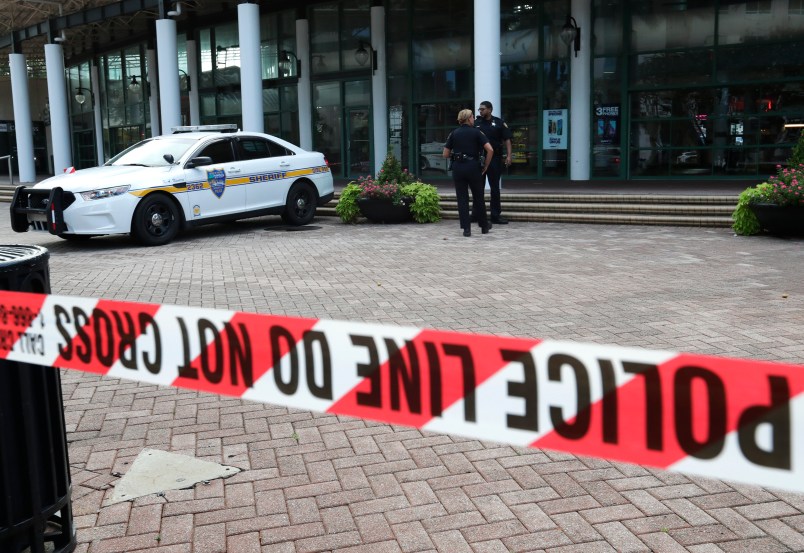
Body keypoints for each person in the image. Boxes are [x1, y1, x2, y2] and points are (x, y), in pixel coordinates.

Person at [443, 109, 494, 237]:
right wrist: (486, 165)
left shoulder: (454, 133)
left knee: (462, 198)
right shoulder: (477, 132)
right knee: (478, 197)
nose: (474, 119)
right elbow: (490, 150)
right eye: (472, 117)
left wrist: (457, 156)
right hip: (473, 167)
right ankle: (484, 226)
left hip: (458, 168)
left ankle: (466, 229)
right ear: (468, 118)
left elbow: (445, 154)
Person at [474, 100, 513, 224]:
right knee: (477, 188)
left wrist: (509, 156)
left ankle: (495, 216)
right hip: (479, 158)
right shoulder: (476, 123)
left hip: (495, 158)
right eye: (479, 109)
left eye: (483, 109)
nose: (480, 111)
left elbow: (507, 140)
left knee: (495, 188)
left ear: (490, 109)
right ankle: (476, 214)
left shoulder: (499, 122)